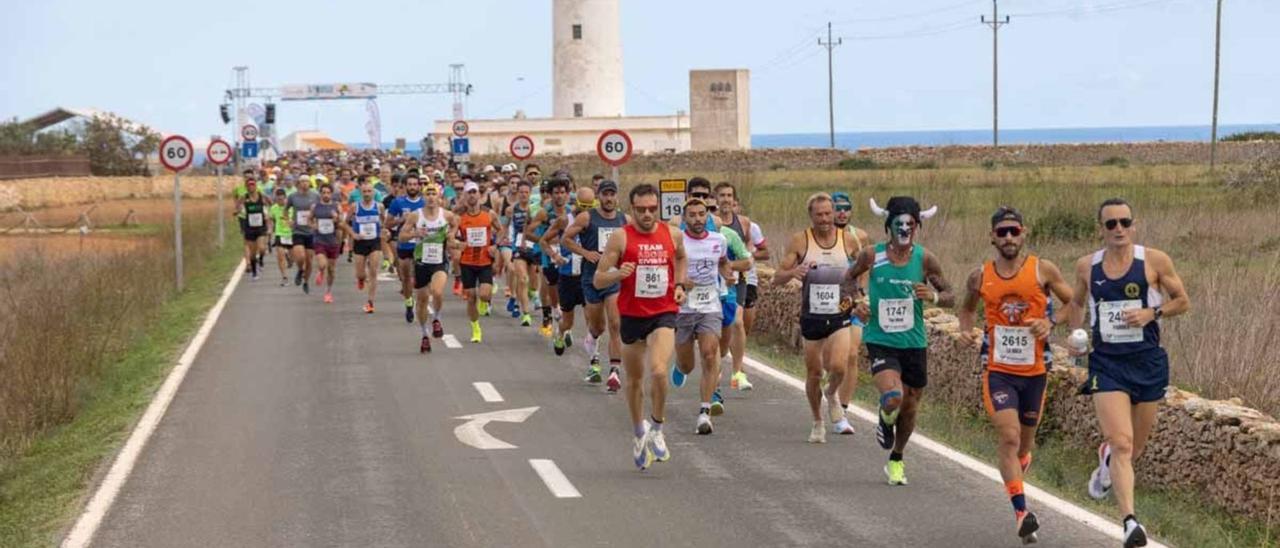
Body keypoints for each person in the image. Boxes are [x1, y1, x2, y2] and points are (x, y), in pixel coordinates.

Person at [1065, 198, 1189, 548]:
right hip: (1107, 364)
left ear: (1133, 225)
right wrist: (1076, 338)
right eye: (1110, 224)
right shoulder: (1087, 266)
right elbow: (1075, 303)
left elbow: (1183, 300)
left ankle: (1106, 464)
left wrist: (1154, 313)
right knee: (1121, 441)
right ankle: (1130, 523)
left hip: (1147, 362)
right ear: (1100, 229)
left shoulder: (1154, 260)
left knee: (1132, 449)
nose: (1118, 228)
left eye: (1124, 222)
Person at [957, 207, 1074, 544]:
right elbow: (966, 310)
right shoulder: (980, 276)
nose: (1009, 237)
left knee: (1023, 444)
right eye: (1002, 232)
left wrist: (1051, 322)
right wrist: (966, 331)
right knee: (1008, 438)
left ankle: (1020, 463)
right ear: (992, 237)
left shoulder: (1043, 269)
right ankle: (1022, 513)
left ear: (1023, 234)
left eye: (1014, 231)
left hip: (1036, 371)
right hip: (998, 371)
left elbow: (1073, 303)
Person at [843, 196, 954, 486]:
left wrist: (933, 296)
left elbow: (951, 295)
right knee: (894, 396)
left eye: (910, 224)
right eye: (898, 224)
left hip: (914, 342)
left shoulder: (925, 258)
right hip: (880, 338)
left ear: (917, 226)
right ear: (888, 226)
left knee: (911, 406)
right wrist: (856, 302)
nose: (905, 230)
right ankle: (884, 415)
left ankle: (896, 458)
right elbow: (847, 279)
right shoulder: (871, 255)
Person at [595, 183, 688, 470]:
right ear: (631, 209)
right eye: (641, 210)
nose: (647, 214)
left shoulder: (672, 233)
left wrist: (681, 284)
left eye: (652, 209)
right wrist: (616, 274)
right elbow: (599, 279)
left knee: (659, 371)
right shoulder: (620, 238)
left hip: (663, 312)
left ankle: (658, 427)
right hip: (632, 316)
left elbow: (682, 257)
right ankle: (638, 431)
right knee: (634, 380)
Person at [772, 193, 858, 444]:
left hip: (840, 312)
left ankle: (832, 394)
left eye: (828, 213)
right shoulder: (800, 241)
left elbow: (863, 270)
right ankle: (817, 421)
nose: (825, 219)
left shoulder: (849, 240)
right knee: (814, 373)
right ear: (811, 216)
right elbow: (777, 277)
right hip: (812, 315)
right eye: (819, 214)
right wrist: (793, 272)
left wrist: (860, 297)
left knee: (840, 366)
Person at [669, 197, 738, 434]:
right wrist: (679, 282)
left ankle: (704, 412)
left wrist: (728, 274)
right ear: (685, 218)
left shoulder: (718, 239)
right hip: (684, 307)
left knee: (710, 354)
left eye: (702, 214)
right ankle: (680, 366)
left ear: (707, 217)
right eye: (693, 215)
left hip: (710, 304)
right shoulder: (677, 241)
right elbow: (667, 268)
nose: (698, 219)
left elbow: (723, 262)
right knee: (688, 365)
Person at [561, 179, 628, 391]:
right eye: (605, 194)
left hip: (614, 278)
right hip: (592, 279)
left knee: (616, 324)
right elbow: (566, 239)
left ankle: (615, 371)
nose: (609, 198)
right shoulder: (587, 217)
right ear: (599, 196)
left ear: (617, 197)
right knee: (598, 326)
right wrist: (585, 253)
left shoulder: (623, 219)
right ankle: (592, 341)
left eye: (612, 194)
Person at [831, 191, 870, 434]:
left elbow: (865, 264)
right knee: (832, 361)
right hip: (828, 303)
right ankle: (830, 390)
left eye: (846, 208)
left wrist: (863, 294)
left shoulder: (859, 236)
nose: (842, 212)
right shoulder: (819, 236)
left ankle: (843, 411)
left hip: (852, 302)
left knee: (853, 355)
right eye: (838, 208)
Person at [712, 182, 756, 393]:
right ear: (715, 199)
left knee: (737, 322)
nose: (726, 199)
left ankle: (738, 372)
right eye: (722, 195)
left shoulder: (744, 223)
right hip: (711, 285)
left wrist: (730, 266)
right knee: (721, 328)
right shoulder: (708, 222)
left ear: (735, 200)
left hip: (737, 282)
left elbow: (749, 255)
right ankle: (717, 367)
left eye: (729, 195)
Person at [542, 187, 596, 357]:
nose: (586, 210)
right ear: (576, 203)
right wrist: (555, 255)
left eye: (590, 206)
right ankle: (560, 333)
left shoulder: (596, 220)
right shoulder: (565, 220)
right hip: (568, 278)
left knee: (592, 321)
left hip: (588, 278)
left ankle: (594, 361)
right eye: (583, 206)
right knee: (568, 322)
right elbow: (544, 241)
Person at [406, 183, 459, 352]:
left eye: (433, 194)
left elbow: (455, 223)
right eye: (427, 193)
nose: (430, 197)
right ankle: (424, 334)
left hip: (439, 260)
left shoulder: (446, 215)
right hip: (421, 262)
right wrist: (415, 234)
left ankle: (436, 318)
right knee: (421, 300)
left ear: (439, 198)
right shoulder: (415, 216)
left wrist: (451, 234)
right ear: (423, 197)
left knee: (437, 292)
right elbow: (401, 236)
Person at [458, 181, 506, 343]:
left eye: (474, 192)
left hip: (485, 260)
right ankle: (475, 328)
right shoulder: (460, 216)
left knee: (484, 295)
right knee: (471, 297)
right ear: (465, 196)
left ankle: (486, 300)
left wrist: (495, 245)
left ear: (479, 194)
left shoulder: (489, 214)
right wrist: (458, 244)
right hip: (467, 261)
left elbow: (501, 230)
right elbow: (450, 236)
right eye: (468, 193)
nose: (472, 195)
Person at [526, 177, 572, 338]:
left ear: (567, 194)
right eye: (556, 193)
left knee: (566, 285)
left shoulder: (571, 212)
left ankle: (565, 318)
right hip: (548, 254)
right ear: (551, 195)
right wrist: (544, 241)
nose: (559, 196)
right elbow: (528, 232)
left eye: (562, 192)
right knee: (551, 285)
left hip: (567, 252)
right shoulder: (544, 212)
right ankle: (554, 311)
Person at [389, 175, 426, 322]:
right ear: (405, 186)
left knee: (419, 278)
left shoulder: (425, 203)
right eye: (409, 184)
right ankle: (409, 303)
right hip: (404, 244)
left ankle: (420, 303)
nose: (412, 187)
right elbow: (388, 224)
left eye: (414, 184)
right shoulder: (397, 202)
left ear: (419, 186)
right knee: (405, 276)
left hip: (421, 245)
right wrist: (401, 220)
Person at [348, 178, 386, 313]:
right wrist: (353, 234)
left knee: (374, 272)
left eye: (370, 191)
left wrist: (383, 230)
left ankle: (370, 302)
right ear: (360, 192)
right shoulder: (355, 206)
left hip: (374, 241)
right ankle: (361, 279)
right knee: (360, 274)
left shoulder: (379, 206)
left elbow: (384, 222)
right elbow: (345, 223)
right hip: (360, 242)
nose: (367, 194)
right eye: (364, 191)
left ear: (374, 192)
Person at [504, 179, 536, 326]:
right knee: (522, 278)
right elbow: (504, 226)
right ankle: (526, 313)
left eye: (526, 192)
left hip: (534, 247)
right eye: (521, 192)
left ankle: (531, 295)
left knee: (533, 282)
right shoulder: (511, 209)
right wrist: (502, 241)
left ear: (530, 193)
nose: (523, 195)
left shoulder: (536, 209)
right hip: (518, 246)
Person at [286, 176, 320, 294]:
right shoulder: (293, 196)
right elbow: (285, 210)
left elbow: (321, 208)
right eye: (302, 182)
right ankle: (300, 270)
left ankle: (306, 281)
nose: (305, 184)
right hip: (298, 230)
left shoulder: (315, 195)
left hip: (311, 232)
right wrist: (288, 221)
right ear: (299, 183)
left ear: (310, 183)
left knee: (309, 260)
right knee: (300, 256)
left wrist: (317, 222)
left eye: (307, 181)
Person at [240, 177, 271, 281]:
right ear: (246, 187)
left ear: (256, 186)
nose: (251, 186)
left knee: (262, 248)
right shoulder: (244, 197)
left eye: (253, 184)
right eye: (249, 185)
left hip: (261, 227)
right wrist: (238, 210)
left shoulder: (261, 196)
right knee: (252, 253)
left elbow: (270, 202)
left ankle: (261, 259)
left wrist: (268, 210)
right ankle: (254, 272)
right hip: (250, 228)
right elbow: (238, 207)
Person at [268, 188, 294, 286]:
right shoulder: (274, 208)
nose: (280, 202)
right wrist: (270, 229)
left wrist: (293, 223)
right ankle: (284, 277)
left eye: (282, 199)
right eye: (278, 199)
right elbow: (270, 219)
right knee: (280, 256)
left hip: (291, 234)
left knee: (293, 258)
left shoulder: (291, 208)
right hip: (279, 234)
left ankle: (290, 258)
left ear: (285, 198)